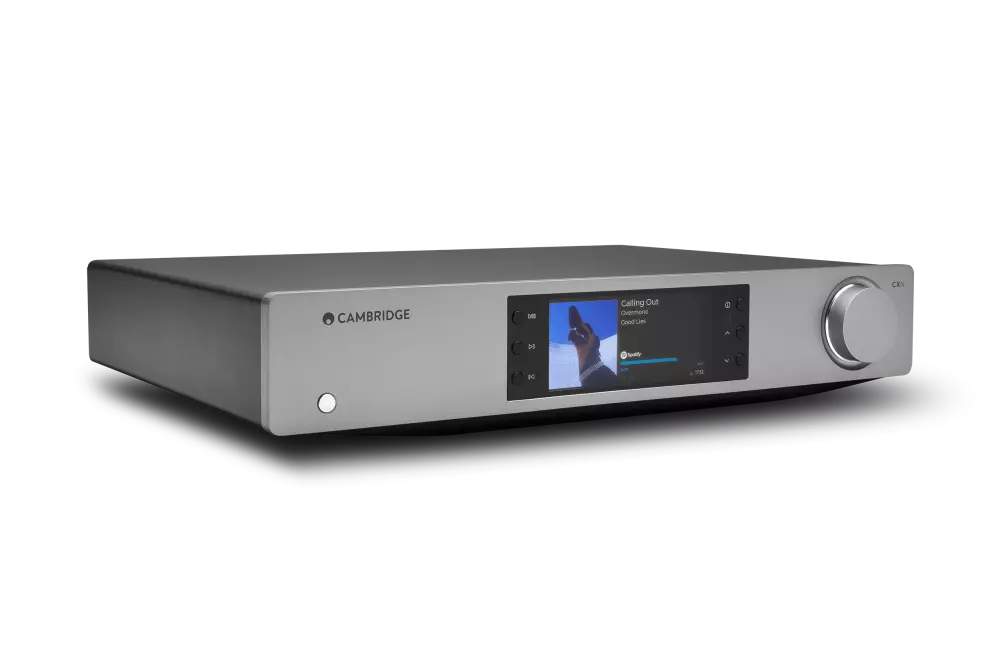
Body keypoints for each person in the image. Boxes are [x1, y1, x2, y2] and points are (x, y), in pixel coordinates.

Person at [568, 305, 616, 388]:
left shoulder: (607, 377)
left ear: (595, 342)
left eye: (581, 331)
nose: (577, 332)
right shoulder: (590, 376)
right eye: (576, 331)